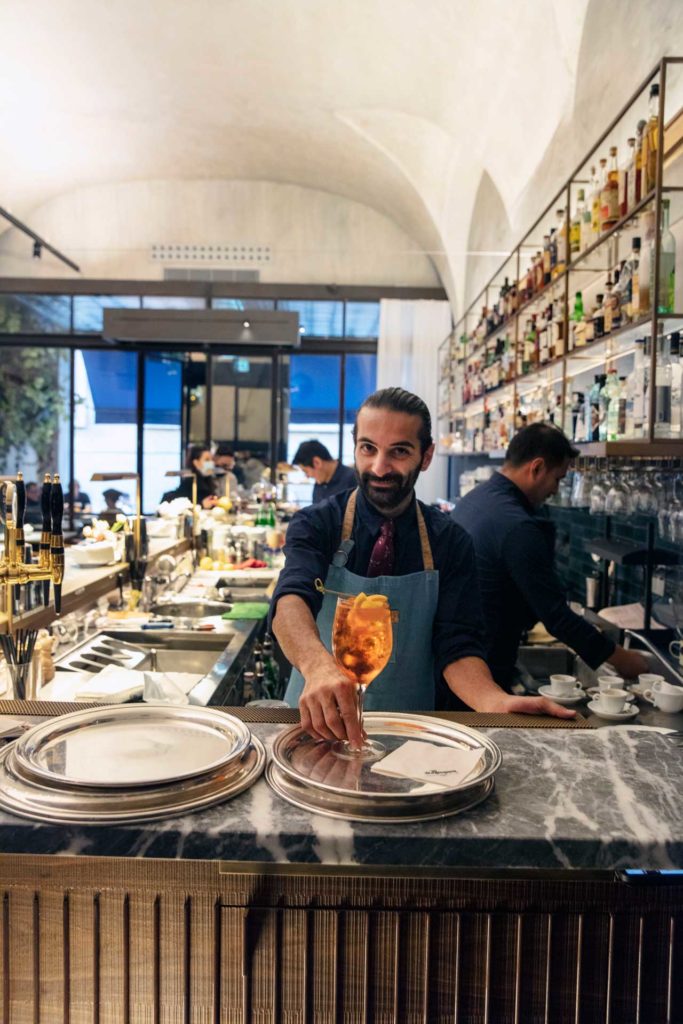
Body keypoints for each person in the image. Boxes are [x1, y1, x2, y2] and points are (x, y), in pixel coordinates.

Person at [271, 387, 573, 749]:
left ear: (426, 456)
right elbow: (291, 599)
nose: (380, 468)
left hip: (411, 736)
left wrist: (494, 702)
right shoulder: (318, 523)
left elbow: (457, 645)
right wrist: (318, 667)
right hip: (317, 726)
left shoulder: (449, 541)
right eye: (368, 448)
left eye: (399, 451)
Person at [452, 422, 648, 690]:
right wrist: (624, 659)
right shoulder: (517, 525)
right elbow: (557, 618)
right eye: (558, 478)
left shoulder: (476, 499)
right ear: (536, 467)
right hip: (486, 661)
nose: (556, 490)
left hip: (462, 657)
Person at [292, 440, 357, 504]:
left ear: (317, 462)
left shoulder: (353, 479)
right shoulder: (319, 484)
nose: (307, 476)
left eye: (306, 471)